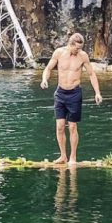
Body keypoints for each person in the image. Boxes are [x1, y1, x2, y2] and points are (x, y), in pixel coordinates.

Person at [40, 32, 102, 165]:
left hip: (75, 94)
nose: (79, 50)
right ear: (70, 44)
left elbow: (91, 74)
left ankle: (73, 157)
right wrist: (44, 79)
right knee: (60, 126)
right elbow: (48, 68)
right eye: (77, 48)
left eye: (81, 48)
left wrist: (97, 93)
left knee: (72, 126)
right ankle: (63, 156)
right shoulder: (59, 53)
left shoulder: (83, 56)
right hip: (60, 93)